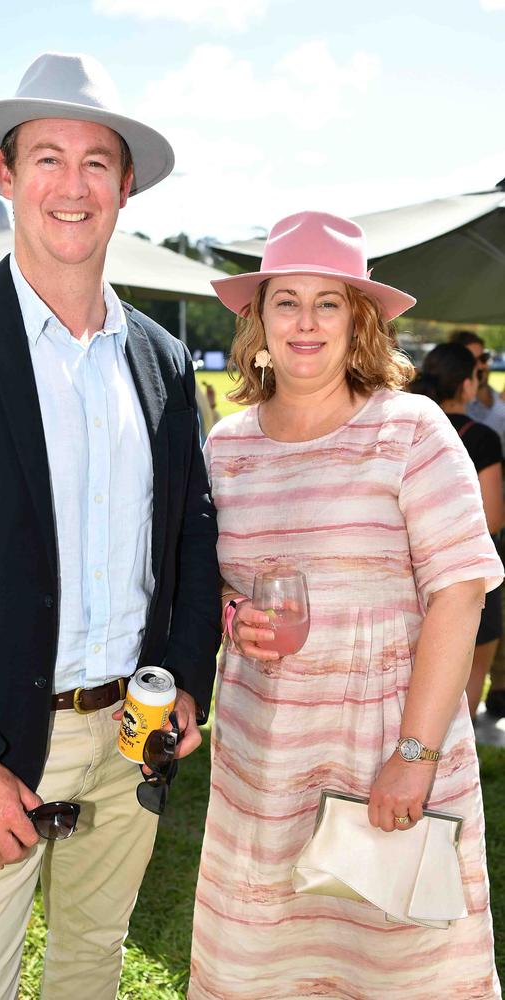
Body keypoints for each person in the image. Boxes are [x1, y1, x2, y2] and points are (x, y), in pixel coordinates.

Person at [0, 53, 221, 1000]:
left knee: (92, 967)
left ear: (125, 184)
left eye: (97, 161)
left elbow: (188, 536)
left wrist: (186, 680)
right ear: (6, 176)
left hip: (130, 738)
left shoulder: (165, 360)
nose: (72, 184)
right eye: (47, 158)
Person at [188, 211, 502, 999]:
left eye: (328, 302)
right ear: (256, 319)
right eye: (284, 300)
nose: (304, 321)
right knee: (266, 969)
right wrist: (235, 616)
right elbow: (216, 582)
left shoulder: (410, 429)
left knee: (398, 971)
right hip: (265, 758)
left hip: (387, 749)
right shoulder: (227, 446)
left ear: (358, 321)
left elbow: (459, 592)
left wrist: (414, 757)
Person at [411, 343, 503, 718]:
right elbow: (493, 517)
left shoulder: (407, 426)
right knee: (462, 691)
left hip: (412, 575)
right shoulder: (481, 437)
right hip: (468, 577)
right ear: (467, 385)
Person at [450, 330, 505, 454]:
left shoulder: (496, 395)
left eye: (483, 358)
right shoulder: (458, 405)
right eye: (473, 361)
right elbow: (479, 442)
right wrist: (502, 405)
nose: (481, 366)